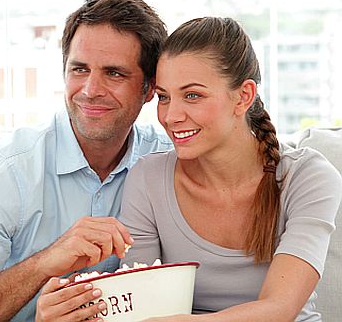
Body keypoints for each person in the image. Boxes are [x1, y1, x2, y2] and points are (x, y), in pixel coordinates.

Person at [0, 0, 172, 322]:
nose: (91, 89)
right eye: (79, 69)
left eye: (114, 73)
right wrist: (43, 263)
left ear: (149, 89)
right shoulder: (6, 172)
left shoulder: (166, 161)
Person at [117, 17, 341, 321]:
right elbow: (140, 306)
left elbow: (280, 309)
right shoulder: (148, 178)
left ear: (243, 96)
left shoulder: (308, 177)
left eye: (193, 95)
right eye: (164, 97)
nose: (171, 116)